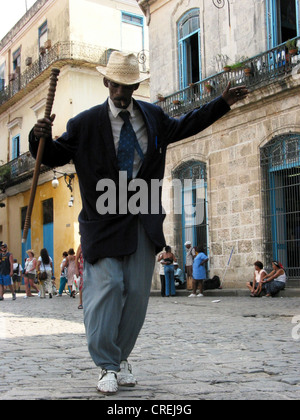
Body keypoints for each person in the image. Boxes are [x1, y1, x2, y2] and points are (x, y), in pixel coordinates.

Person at [29, 51, 248, 394]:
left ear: (135, 85)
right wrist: (36, 137)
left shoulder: (153, 116)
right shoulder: (85, 124)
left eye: (128, 85)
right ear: (107, 82)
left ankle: (121, 358)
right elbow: (53, 154)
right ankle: (106, 364)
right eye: (116, 84)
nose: (121, 91)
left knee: (135, 296)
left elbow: (186, 124)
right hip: (103, 220)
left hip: (142, 217)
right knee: (108, 289)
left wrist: (221, 104)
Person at [75, 244, 84, 309]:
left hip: (92, 268)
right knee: (82, 285)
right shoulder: (81, 246)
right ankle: (80, 302)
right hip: (83, 268)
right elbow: (76, 259)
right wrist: (77, 270)